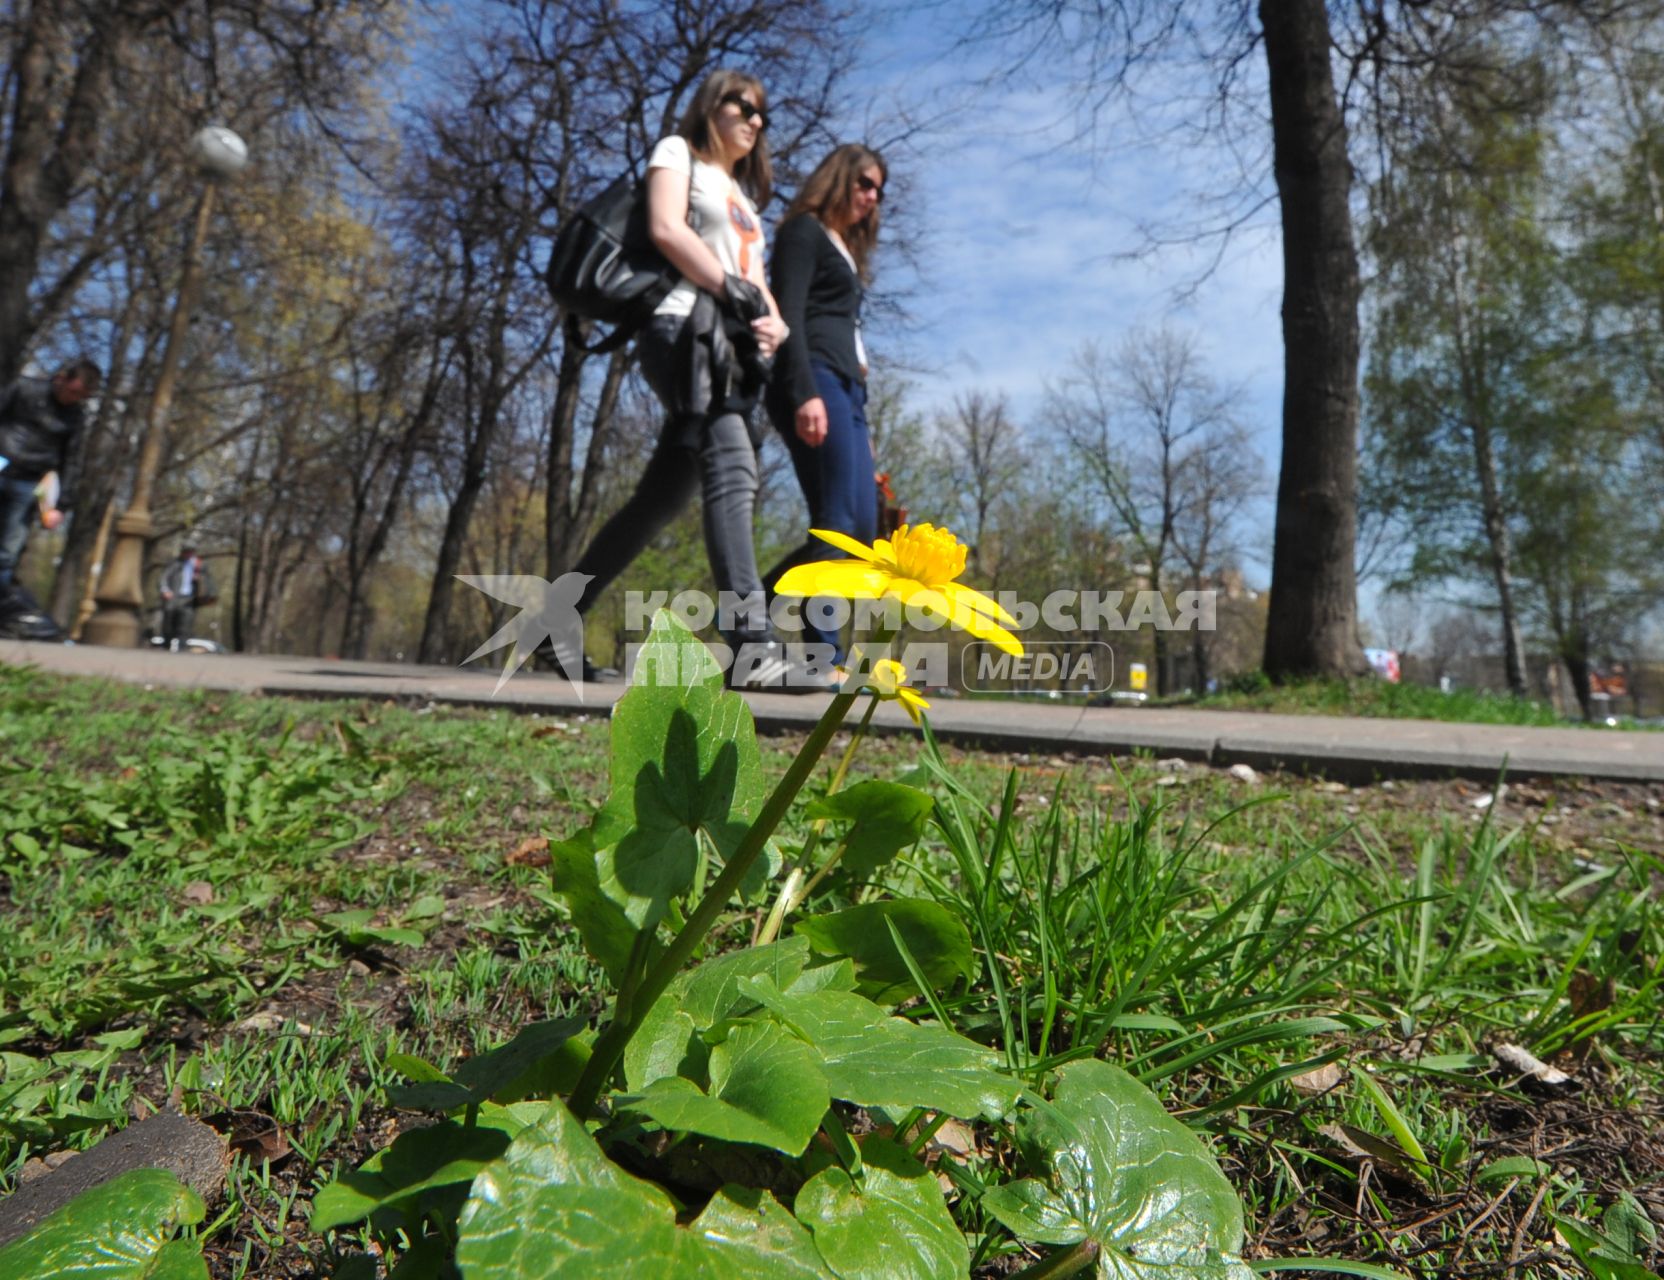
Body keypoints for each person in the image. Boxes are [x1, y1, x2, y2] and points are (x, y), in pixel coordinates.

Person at [560, 69, 823, 691]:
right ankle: (752, 646)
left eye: (763, 115)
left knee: (659, 501)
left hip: (730, 346)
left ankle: (555, 618)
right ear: (713, 106)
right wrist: (728, 287)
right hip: (678, 329)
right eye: (744, 106)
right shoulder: (677, 153)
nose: (755, 121)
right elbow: (666, 229)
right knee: (733, 466)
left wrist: (774, 324)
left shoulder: (743, 199)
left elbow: (753, 277)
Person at [761, 145, 886, 676]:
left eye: (879, 189)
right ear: (838, 179)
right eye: (864, 183)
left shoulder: (846, 249)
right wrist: (804, 391)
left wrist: (864, 428)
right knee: (834, 523)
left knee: (861, 531)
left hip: (849, 393)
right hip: (813, 378)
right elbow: (788, 311)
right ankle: (825, 655)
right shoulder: (803, 231)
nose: (872, 196)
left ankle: (758, 598)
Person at [0, 357, 100, 641]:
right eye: (72, 391)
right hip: (1, 460)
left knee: (7, 550)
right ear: (62, 378)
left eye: (81, 397)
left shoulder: (75, 417)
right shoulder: (24, 389)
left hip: (30, 480)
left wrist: (60, 505)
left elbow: (72, 462)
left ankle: (4, 614)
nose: (73, 399)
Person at [159, 544, 213, 652]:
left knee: (185, 625)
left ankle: (182, 649)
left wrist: (199, 579)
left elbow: (208, 581)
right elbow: (164, 577)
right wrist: (165, 590)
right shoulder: (175, 563)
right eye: (186, 551)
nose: (189, 554)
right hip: (173, 597)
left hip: (189, 599)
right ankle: (166, 647)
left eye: (191, 551)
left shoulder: (198, 565)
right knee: (169, 622)